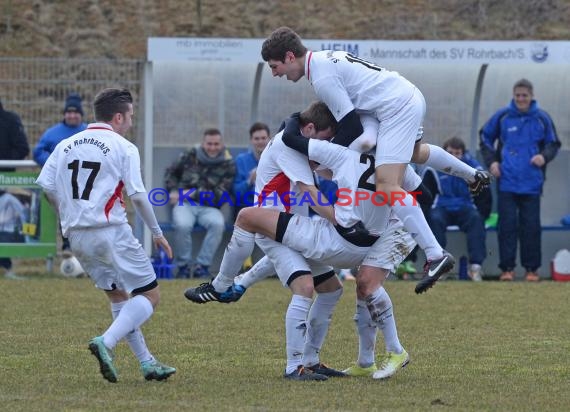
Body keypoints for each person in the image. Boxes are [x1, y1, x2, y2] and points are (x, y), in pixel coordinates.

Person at [261, 27, 493, 294]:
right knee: (414, 154)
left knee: (387, 185)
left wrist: (324, 159)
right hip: (403, 96)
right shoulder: (324, 60)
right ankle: (473, 175)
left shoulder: (321, 77)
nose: (275, 73)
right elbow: (359, 125)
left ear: (290, 56)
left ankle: (435, 254)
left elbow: (349, 127)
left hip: (396, 107)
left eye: (274, 66)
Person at [186, 102, 347, 381]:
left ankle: (311, 360)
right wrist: (340, 220)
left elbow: (328, 171)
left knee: (332, 289)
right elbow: (309, 191)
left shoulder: (300, 141)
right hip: (272, 225)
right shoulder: (288, 145)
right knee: (304, 286)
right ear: (309, 129)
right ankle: (293, 367)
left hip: (295, 228)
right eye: (323, 138)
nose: (325, 145)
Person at [36, 88, 176, 383]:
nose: (130, 122)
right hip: (110, 231)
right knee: (150, 295)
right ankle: (106, 342)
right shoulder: (123, 146)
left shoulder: (65, 144)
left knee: (118, 296)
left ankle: (147, 363)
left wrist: (65, 214)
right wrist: (157, 233)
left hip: (77, 235)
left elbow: (46, 186)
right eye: (130, 117)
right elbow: (138, 196)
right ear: (118, 117)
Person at [480, 78, 560, 282]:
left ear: (532, 96)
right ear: (513, 96)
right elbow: (485, 138)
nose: (521, 99)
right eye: (518, 95)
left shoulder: (542, 118)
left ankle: (531, 270)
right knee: (507, 226)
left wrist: (544, 156)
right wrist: (492, 162)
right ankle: (507, 269)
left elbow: (553, 144)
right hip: (507, 181)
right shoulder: (503, 116)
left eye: (525, 95)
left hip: (532, 182)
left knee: (531, 227)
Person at [164, 128, 236, 279]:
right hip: (185, 204)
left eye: (216, 144)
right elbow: (170, 172)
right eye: (209, 143)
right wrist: (173, 190)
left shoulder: (228, 163)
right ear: (203, 143)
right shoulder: (190, 155)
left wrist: (191, 193)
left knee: (217, 224)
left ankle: (201, 267)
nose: (212, 147)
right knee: (183, 225)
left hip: (209, 207)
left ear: (221, 144)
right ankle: (183, 267)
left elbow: (220, 196)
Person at [428, 137, 492, 282]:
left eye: (458, 153)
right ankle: (439, 266)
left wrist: (483, 214)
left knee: (476, 219)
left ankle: (475, 267)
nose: (454, 156)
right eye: (450, 152)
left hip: (465, 207)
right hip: (442, 207)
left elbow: (485, 195)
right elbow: (425, 195)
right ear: (444, 152)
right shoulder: (433, 167)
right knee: (434, 218)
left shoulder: (473, 168)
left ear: (463, 153)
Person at [33, 93, 87, 254]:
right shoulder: (52, 133)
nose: (71, 115)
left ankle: (84, 247)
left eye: (75, 112)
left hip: (84, 184)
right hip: (61, 184)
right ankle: (67, 245)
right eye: (68, 112)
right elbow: (38, 151)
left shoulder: (88, 132)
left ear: (80, 114)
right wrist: (54, 163)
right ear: (64, 114)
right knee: (65, 213)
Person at [233, 122, 271, 270]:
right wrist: (250, 180)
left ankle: (274, 266)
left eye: (263, 138)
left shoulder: (277, 158)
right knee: (245, 217)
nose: (260, 141)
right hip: (247, 206)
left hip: (271, 206)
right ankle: (246, 265)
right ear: (251, 140)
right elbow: (236, 191)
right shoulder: (241, 160)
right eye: (257, 138)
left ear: (269, 139)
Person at [0, 97, 30, 279]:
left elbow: (22, 148)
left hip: (5, 181)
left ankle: (4, 263)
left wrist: (3, 163)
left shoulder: (10, 121)